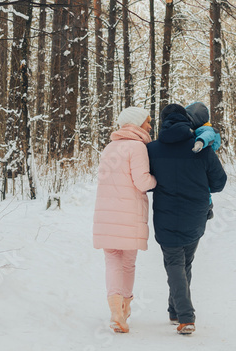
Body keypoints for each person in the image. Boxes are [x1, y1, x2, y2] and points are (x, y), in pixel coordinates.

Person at [147, 103, 227, 335]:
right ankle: (175, 310)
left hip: (166, 215)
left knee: (174, 263)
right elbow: (219, 184)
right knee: (185, 262)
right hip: (196, 215)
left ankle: (185, 316)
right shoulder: (200, 148)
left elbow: (146, 181)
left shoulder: (152, 149)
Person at [93, 106, 156, 333]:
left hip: (106, 215)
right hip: (129, 216)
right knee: (128, 263)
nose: (150, 126)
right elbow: (142, 182)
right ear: (137, 124)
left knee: (111, 261)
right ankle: (125, 309)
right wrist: (156, 180)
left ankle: (115, 312)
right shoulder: (138, 147)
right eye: (147, 122)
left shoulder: (109, 147)